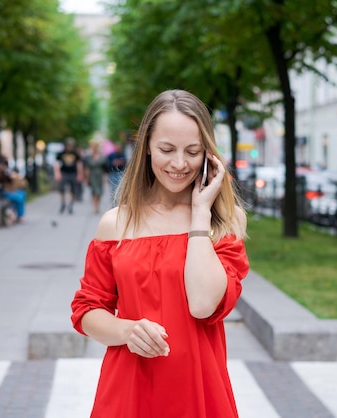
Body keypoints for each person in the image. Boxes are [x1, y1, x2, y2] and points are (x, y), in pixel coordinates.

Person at [70, 89, 249, 417]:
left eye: (193, 151)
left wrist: (200, 215)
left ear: (209, 154)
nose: (180, 164)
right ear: (147, 149)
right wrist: (127, 330)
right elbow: (87, 310)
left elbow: (202, 304)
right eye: (167, 149)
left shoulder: (226, 222)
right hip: (129, 392)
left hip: (199, 393)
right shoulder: (116, 223)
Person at [0, 156, 28, 223]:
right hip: (1, 193)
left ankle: (18, 215)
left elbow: (10, 181)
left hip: (7, 191)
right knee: (19, 198)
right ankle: (18, 215)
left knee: (21, 194)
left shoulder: (5, 172)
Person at [54, 137, 83, 214]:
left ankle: (71, 205)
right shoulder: (61, 154)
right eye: (68, 145)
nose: (69, 147)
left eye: (71, 145)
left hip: (73, 173)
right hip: (64, 173)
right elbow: (56, 164)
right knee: (62, 189)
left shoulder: (75, 154)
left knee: (73, 190)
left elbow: (79, 164)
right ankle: (63, 202)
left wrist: (80, 174)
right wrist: (57, 173)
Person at [84, 140, 108, 214]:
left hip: (100, 175)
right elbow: (87, 168)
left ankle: (98, 205)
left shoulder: (102, 157)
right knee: (94, 191)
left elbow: (105, 169)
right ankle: (95, 207)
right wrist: (87, 178)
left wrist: (105, 178)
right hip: (92, 175)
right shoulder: (89, 158)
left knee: (99, 192)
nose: (94, 149)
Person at [106, 140, 127, 206]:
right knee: (113, 189)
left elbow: (124, 162)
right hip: (113, 173)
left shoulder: (123, 154)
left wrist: (116, 162)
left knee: (121, 189)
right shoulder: (111, 155)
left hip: (121, 173)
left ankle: (119, 203)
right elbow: (109, 164)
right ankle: (113, 204)